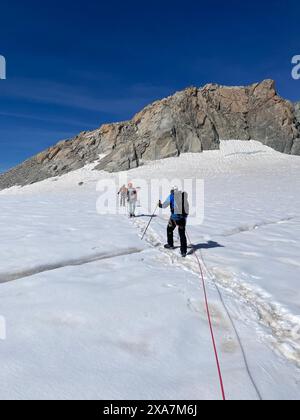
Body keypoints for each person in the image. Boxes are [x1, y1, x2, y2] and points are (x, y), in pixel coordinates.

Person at [159, 187, 189, 257]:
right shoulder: (182, 196)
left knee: (169, 229)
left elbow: (164, 205)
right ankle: (183, 251)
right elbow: (187, 208)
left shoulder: (172, 196)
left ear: (172, 190)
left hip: (174, 218)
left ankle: (170, 244)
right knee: (182, 234)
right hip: (183, 218)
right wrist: (184, 217)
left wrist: (159, 204)